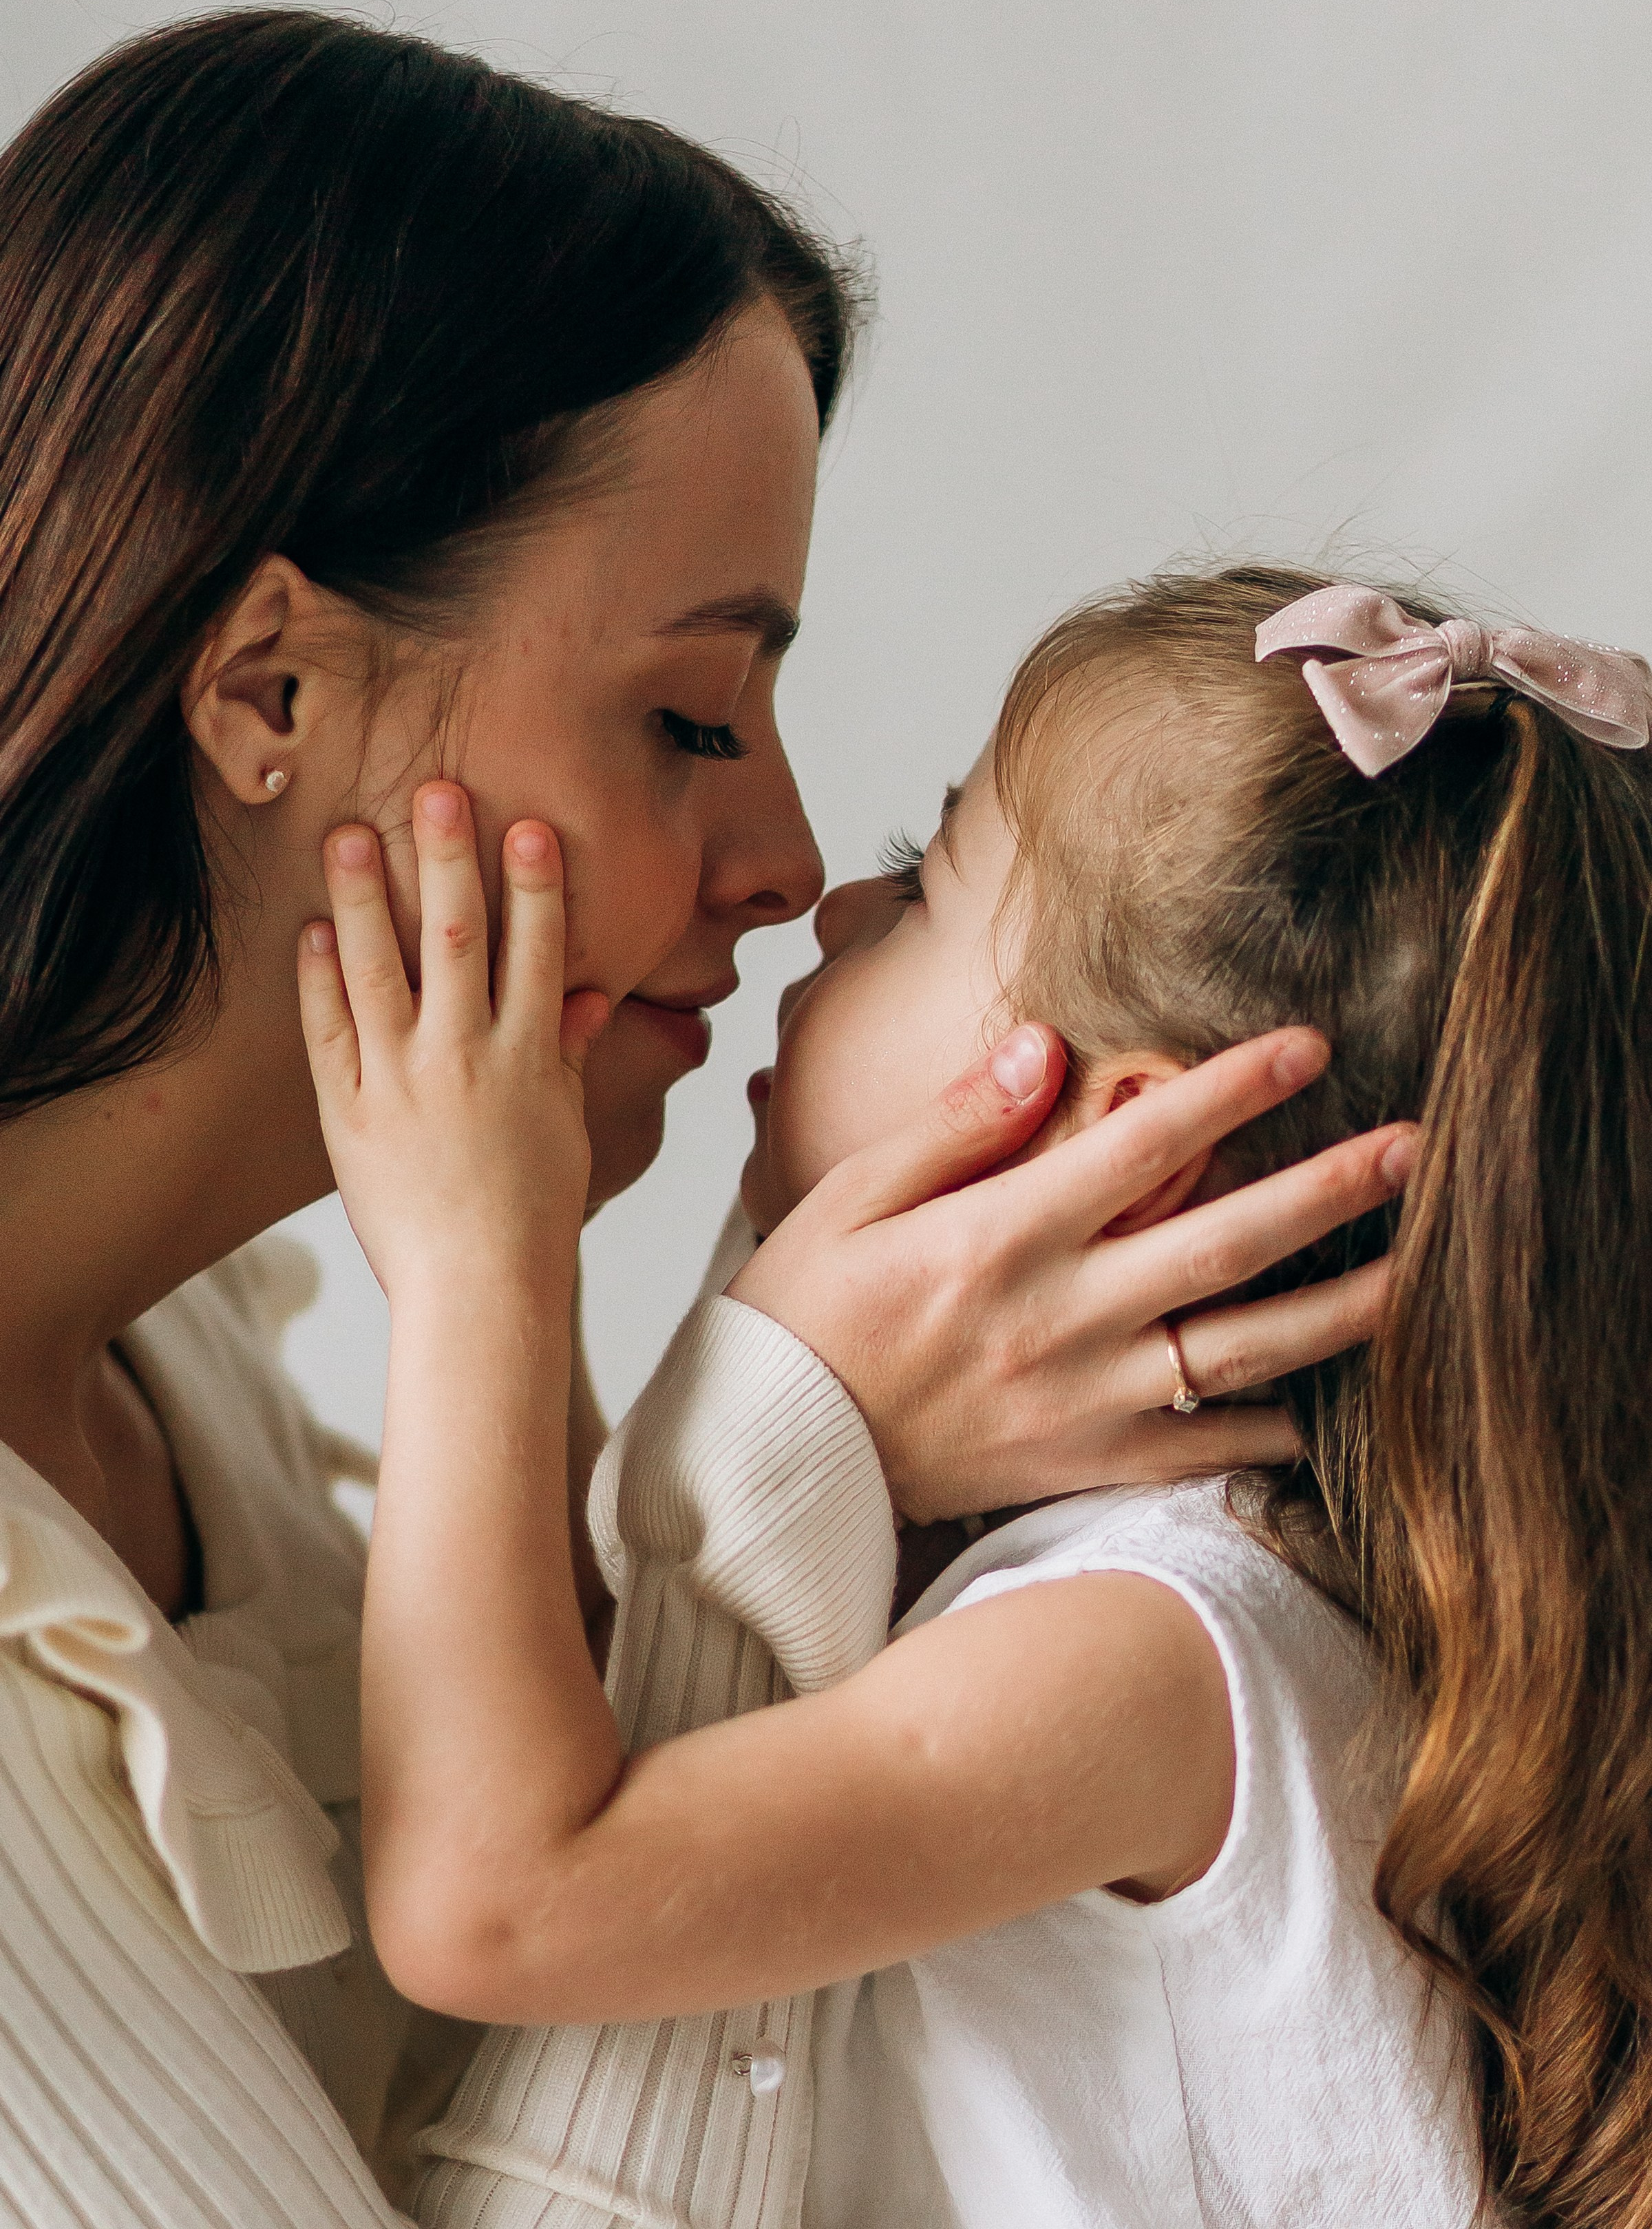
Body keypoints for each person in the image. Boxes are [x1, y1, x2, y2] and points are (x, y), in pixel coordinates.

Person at [0, 14, 1392, 2226]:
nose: (789, 860)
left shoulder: (197, 1381)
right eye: (685, 714)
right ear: (272, 693)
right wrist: (774, 1463)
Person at [315, 567, 1652, 2229]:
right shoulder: (1156, 1589)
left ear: (1125, 1147)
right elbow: (621, 1676)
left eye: (921, 885)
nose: (838, 917)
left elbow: (497, 1901)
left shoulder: (1145, 1652)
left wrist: (475, 1272)